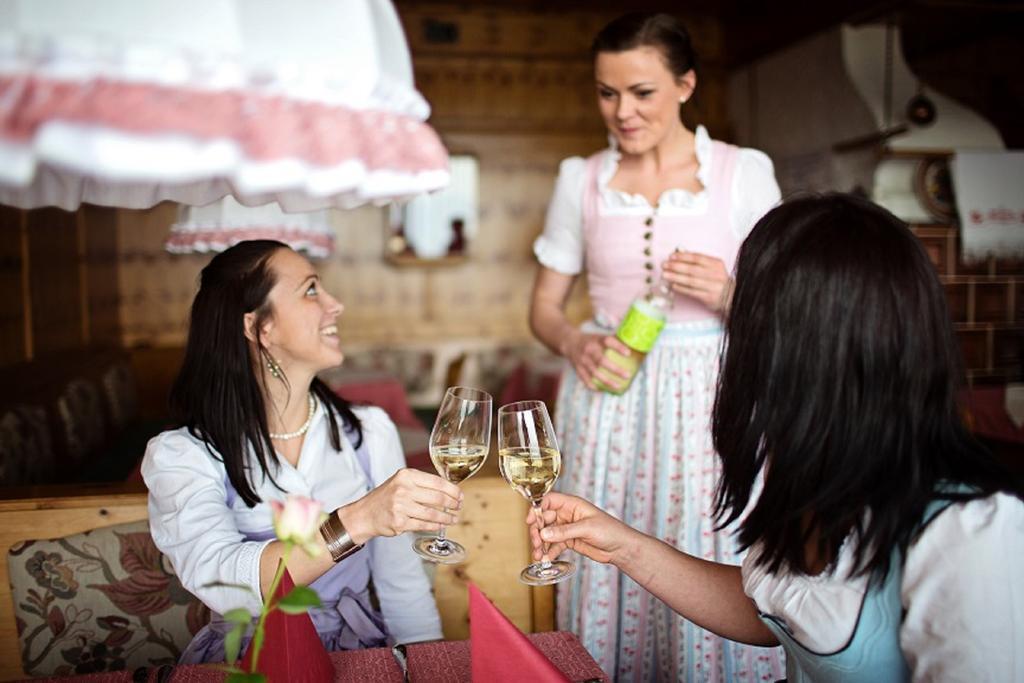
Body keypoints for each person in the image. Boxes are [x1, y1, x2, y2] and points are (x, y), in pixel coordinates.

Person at [530, 194, 1024, 681]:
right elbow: (773, 618)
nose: (738, 341)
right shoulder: (815, 473)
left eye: (751, 314)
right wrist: (621, 545)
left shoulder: (971, 534)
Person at [528, 11, 784, 680]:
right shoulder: (578, 178)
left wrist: (731, 294)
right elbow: (544, 308)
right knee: (602, 545)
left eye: (641, 92)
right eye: (607, 92)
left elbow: (793, 310)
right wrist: (574, 339)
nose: (622, 111)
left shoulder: (742, 172)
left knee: (705, 541)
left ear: (686, 85)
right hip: (606, 399)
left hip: (712, 401)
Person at [142, 240, 461, 662]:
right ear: (259, 328)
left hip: (359, 652)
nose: (336, 305)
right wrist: (359, 519)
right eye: (311, 290)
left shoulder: (368, 432)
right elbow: (228, 584)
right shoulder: (183, 455)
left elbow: (402, 586)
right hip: (251, 660)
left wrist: (430, 668)